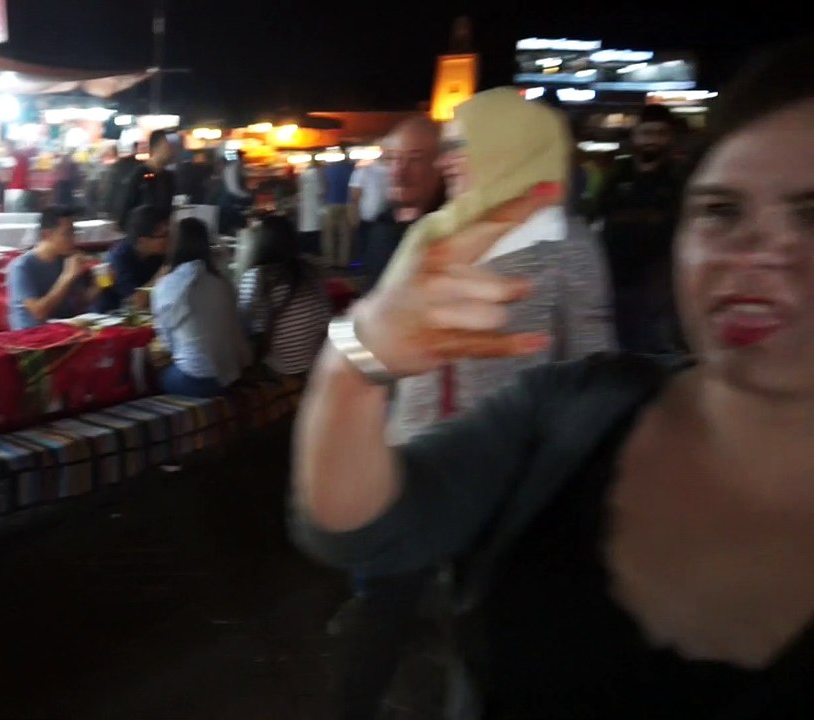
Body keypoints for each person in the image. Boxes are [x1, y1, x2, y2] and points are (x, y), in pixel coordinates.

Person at [293, 38, 814, 718]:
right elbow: (354, 518)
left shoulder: (564, 247)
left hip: (499, 459)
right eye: (721, 212)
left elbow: (589, 339)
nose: (759, 255)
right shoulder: (570, 414)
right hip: (443, 445)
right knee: (401, 596)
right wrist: (352, 366)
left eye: (811, 216)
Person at [326, 89, 615, 720]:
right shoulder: (432, 234)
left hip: (500, 467)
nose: (448, 161)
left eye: (461, 146)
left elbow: (593, 368)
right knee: (381, 608)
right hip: (412, 452)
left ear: (509, 151)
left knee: (483, 619)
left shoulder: (567, 245)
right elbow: (374, 346)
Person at [593, 103, 685, 354]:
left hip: (660, 288)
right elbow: (597, 215)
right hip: (614, 282)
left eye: (659, 134)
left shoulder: (680, 180)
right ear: (634, 137)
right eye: (646, 133)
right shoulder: (618, 176)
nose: (652, 141)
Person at [153, 218, 251, 397]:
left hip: (197, 380)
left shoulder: (167, 285)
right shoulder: (223, 282)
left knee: (157, 376)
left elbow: (167, 343)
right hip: (233, 374)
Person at [238, 215, 332, 377]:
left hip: (275, 367)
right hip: (310, 363)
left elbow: (241, 324)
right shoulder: (310, 272)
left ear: (261, 242)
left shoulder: (256, 277)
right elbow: (325, 321)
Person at [361, 116, 448, 285]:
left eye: (415, 159)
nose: (398, 172)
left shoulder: (450, 235)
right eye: (393, 158)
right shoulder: (381, 224)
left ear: (441, 165)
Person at [6, 206, 98, 331]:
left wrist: (99, 284)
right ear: (46, 235)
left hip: (66, 332)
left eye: (74, 233)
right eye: (67, 234)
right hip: (34, 339)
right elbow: (39, 313)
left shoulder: (66, 259)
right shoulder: (21, 267)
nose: (73, 240)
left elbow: (81, 303)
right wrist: (67, 277)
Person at [94, 205, 171, 313]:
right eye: (164, 235)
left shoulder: (158, 254)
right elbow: (136, 303)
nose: (169, 239)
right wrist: (160, 276)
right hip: (109, 318)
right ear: (142, 241)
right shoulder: (118, 258)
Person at [347, 139, 391, 269]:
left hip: (369, 215)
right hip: (384, 216)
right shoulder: (392, 171)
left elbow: (355, 196)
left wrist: (353, 214)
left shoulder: (363, 171)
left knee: (365, 242)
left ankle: (364, 265)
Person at [118, 130, 176, 224]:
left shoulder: (168, 177)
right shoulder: (139, 175)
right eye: (167, 146)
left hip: (162, 233)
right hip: (142, 233)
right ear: (156, 148)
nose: (171, 151)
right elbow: (126, 207)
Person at [322, 148, 356, 268]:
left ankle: (330, 261)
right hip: (347, 205)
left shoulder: (328, 170)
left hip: (331, 204)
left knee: (329, 235)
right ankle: (344, 261)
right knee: (345, 235)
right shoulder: (351, 169)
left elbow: (325, 187)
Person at [296, 160, 325, 256]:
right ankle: (314, 251)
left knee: (306, 228)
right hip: (315, 207)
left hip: (305, 207)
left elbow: (299, 192)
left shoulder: (302, 175)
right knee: (314, 229)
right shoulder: (317, 175)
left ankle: (305, 251)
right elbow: (320, 191)